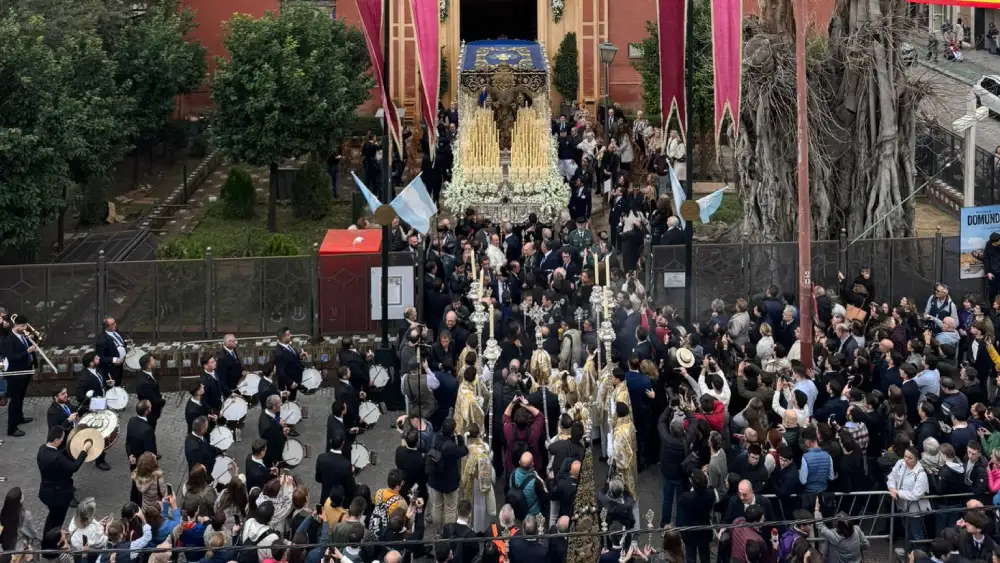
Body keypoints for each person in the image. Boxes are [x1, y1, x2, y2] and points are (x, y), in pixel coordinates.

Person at [38, 426, 92, 532]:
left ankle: (49, 537)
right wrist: (84, 450)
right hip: (58, 496)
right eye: (62, 439)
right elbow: (74, 467)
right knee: (57, 521)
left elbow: (60, 453)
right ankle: (52, 541)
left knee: (52, 518)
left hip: (46, 491)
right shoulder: (57, 458)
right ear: (56, 440)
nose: (62, 440)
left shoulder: (42, 449)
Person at [813, 498, 868, 563]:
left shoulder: (834, 536)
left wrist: (816, 510)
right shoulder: (856, 529)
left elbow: (820, 525)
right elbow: (866, 544)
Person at [0, 487, 40, 553]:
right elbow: (32, 534)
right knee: (37, 542)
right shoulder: (25, 515)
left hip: (6, 547)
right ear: (20, 500)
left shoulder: (3, 513)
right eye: (22, 494)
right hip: (19, 548)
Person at [135, 353, 166, 429]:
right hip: (151, 412)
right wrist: (163, 401)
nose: (154, 361)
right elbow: (153, 400)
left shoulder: (145, 373)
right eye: (152, 360)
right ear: (148, 365)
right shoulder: (145, 384)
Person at [126, 400, 159, 468]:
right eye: (150, 407)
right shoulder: (148, 430)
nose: (151, 408)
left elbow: (128, 441)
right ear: (147, 411)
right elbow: (150, 449)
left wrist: (130, 455)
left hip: (134, 461)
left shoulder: (131, 421)